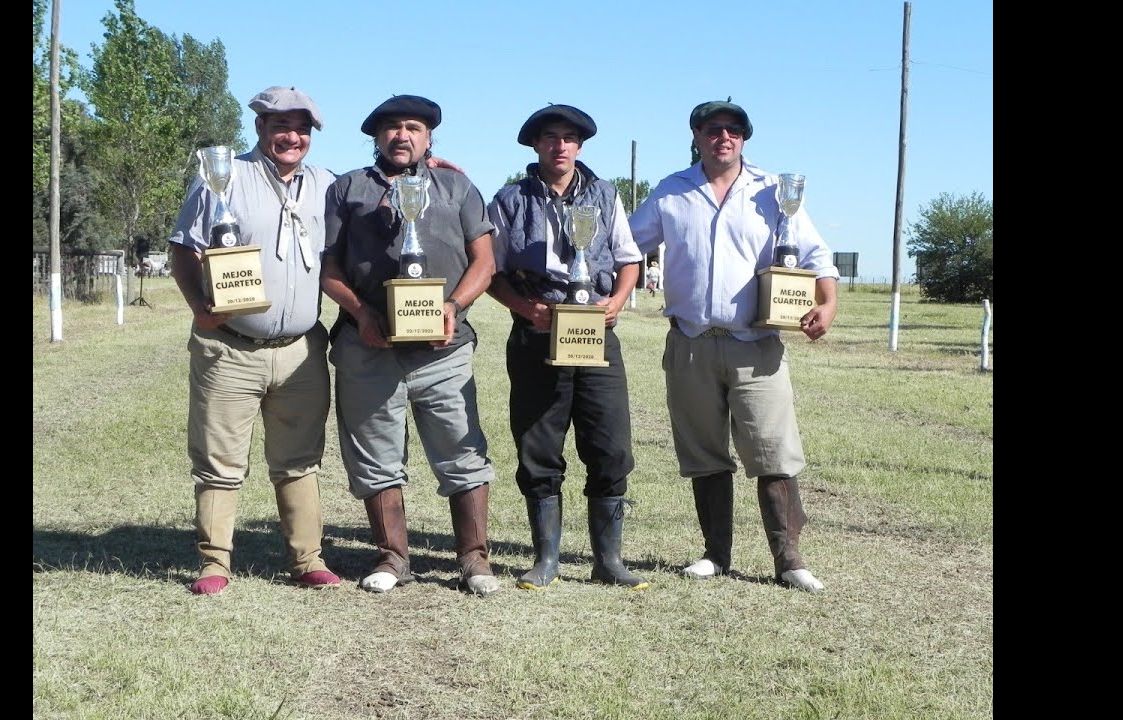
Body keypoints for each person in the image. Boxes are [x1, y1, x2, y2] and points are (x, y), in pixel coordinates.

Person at [628, 98, 839, 592]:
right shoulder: (670, 192)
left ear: (744, 139)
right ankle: (715, 553)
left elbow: (816, 254)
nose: (724, 137)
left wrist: (827, 304)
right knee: (704, 453)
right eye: (713, 129)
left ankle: (789, 559)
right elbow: (623, 244)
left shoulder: (773, 191)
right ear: (696, 137)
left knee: (774, 452)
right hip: (691, 343)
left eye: (734, 130)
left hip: (757, 346)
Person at [321, 94, 500, 596]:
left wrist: (453, 307)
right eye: (393, 128)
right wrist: (361, 313)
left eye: (414, 128)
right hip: (368, 348)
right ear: (376, 137)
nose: (403, 135)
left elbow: (484, 262)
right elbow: (329, 269)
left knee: (462, 453)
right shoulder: (347, 189)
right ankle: (391, 556)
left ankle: (474, 558)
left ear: (429, 137)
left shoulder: (457, 186)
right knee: (376, 457)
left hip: (445, 350)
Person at [168, 86, 340, 595]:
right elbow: (183, 247)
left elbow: (383, 193)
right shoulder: (224, 178)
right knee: (219, 461)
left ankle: (308, 559)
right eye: (280, 126)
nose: (292, 137)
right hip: (232, 347)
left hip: (302, 349)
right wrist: (199, 308)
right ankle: (214, 564)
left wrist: (433, 167)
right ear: (260, 128)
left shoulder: (327, 185)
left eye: (301, 128)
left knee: (299, 459)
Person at [486, 104, 648, 591]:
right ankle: (547, 559)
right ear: (535, 145)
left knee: (611, 445)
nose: (560, 145)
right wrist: (525, 308)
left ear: (580, 146)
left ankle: (608, 560)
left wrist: (617, 301)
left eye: (569, 138)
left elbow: (628, 258)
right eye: (550, 137)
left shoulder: (605, 195)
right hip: (536, 336)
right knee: (538, 446)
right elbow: (489, 272)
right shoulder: (510, 199)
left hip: (596, 336)